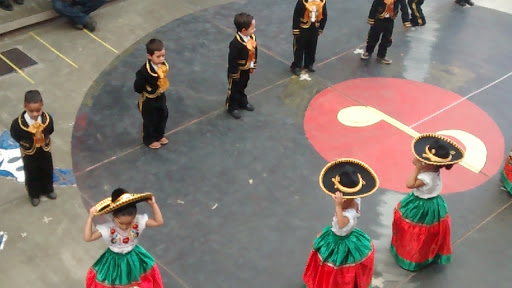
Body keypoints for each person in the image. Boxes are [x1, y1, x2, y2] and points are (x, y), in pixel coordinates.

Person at [390, 134, 465, 271]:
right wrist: (420, 161)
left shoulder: (427, 178)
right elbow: (415, 161)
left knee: (417, 232)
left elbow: (409, 183)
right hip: (432, 203)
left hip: (421, 206)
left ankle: (412, 258)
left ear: (432, 163)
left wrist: (418, 167)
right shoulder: (433, 169)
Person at [303, 159, 379, 288]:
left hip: (339, 242)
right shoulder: (356, 200)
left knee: (336, 267)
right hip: (347, 237)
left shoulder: (346, 215)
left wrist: (338, 206)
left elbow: (341, 224)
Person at [84, 188, 164, 288]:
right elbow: (88, 238)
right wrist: (90, 217)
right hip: (114, 261)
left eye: (129, 223)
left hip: (134, 258)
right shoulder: (108, 229)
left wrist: (153, 205)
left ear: (134, 217)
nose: (125, 227)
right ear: (114, 216)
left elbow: (158, 222)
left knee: (138, 282)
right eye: (121, 223)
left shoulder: (138, 221)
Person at [10, 90, 56, 207]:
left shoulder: (47, 119)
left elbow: (50, 130)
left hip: (44, 149)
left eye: (38, 110)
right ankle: (34, 194)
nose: (35, 114)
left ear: (42, 105)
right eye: (31, 111)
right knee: (31, 172)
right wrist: (26, 143)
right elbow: (15, 135)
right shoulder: (18, 124)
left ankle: (48, 189)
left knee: (47, 168)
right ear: (25, 106)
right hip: (29, 152)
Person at [134, 39, 170, 149]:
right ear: (149, 56)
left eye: (163, 55)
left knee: (163, 114)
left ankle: (159, 134)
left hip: (160, 96)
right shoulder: (144, 71)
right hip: (149, 100)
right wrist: (148, 89)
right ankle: (149, 139)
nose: (162, 59)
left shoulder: (163, 66)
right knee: (150, 119)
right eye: (158, 57)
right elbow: (137, 87)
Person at [226, 12, 257, 120]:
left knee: (243, 85)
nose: (254, 30)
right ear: (244, 30)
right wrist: (234, 74)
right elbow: (232, 60)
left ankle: (243, 101)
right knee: (234, 89)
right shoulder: (235, 44)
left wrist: (253, 65)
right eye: (252, 28)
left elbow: (253, 52)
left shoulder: (252, 37)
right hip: (237, 71)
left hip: (246, 68)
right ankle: (232, 106)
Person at [360, 0, 411, 64]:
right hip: (378, 19)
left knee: (387, 38)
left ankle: (381, 55)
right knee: (373, 36)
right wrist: (371, 18)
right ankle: (368, 51)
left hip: (390, 20)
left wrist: (406, 21)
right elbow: (374, 6)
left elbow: (404, 7)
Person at [290, 0, 328, 76]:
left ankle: (309, 63)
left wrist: (321, 28)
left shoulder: (321, 2)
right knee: (299, 47)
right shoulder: (303, 1)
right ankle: (296, 65)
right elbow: (296, 15)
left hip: (314, 28)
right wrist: (296, 29)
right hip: (303, 28)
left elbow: (324, 15)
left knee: (312, 46)